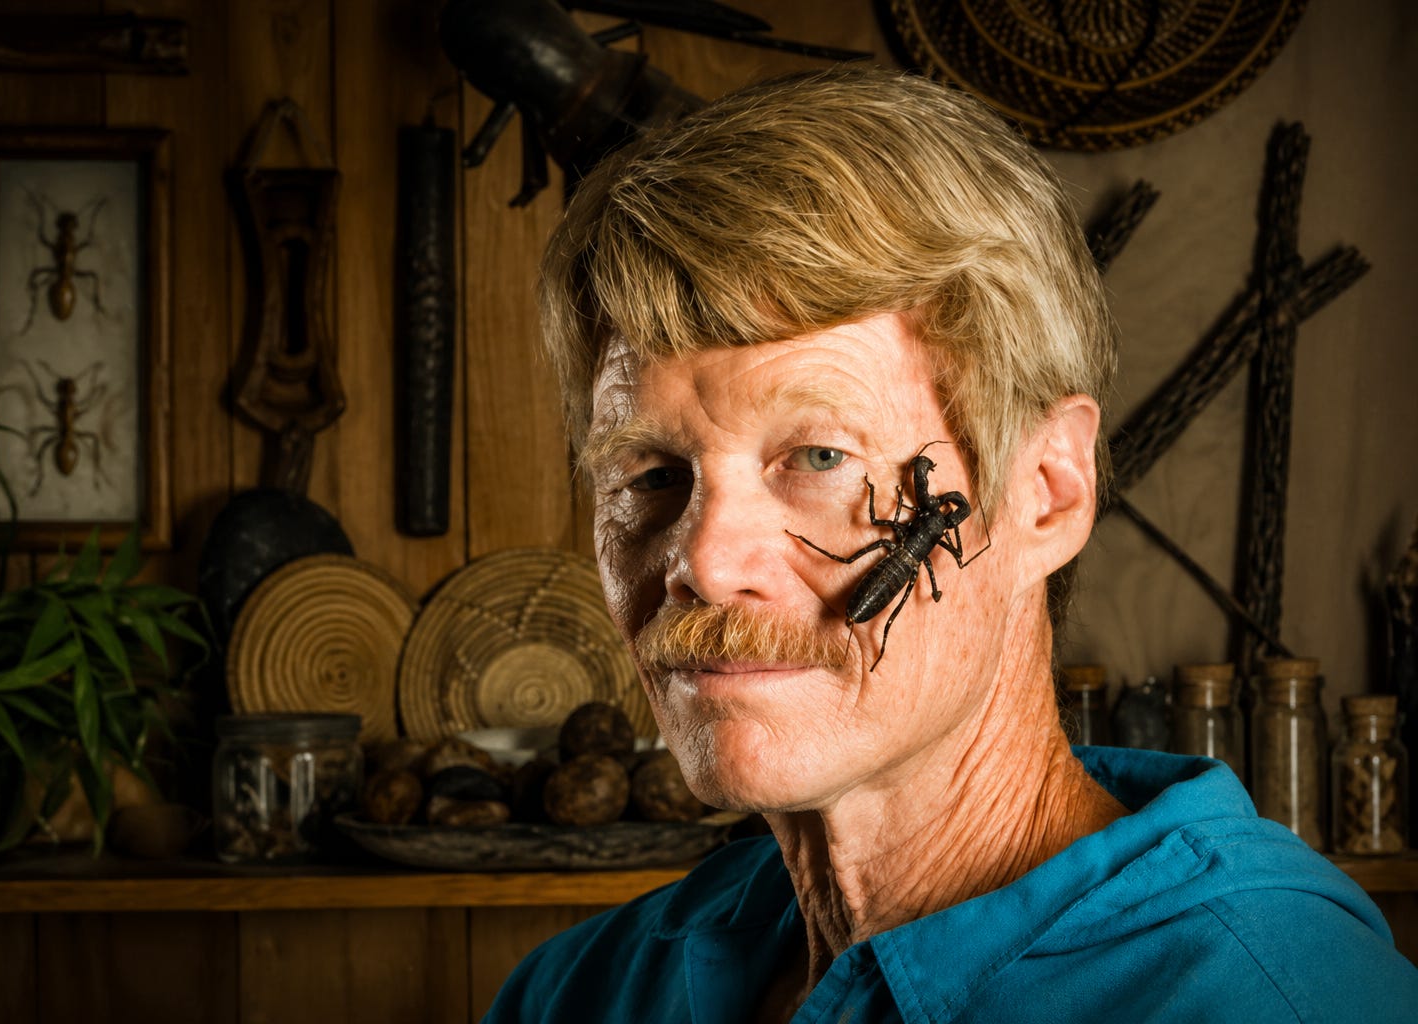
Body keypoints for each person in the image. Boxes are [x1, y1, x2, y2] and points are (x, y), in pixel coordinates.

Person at [485, 65, 1418, 1022]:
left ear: (1048, 495)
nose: (707, 561)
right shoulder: (573, 994)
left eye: (818, 453)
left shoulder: (1283, 998)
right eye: (649, 476)